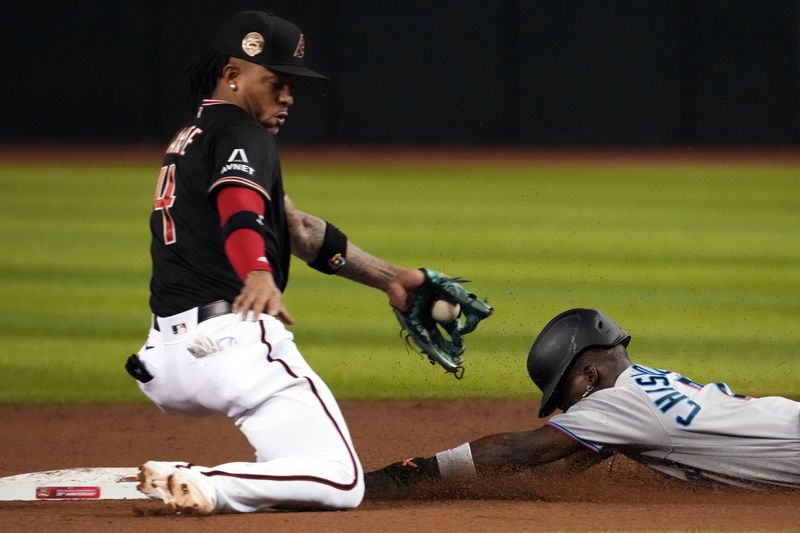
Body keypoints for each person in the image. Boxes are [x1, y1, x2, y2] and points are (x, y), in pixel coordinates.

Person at [126, 11, 428, 514]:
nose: (287, 96)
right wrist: (258, 272)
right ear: (233, 75)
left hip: (167, 361)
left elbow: (298, 230)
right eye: (275, 82)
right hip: (231, 344)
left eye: (291, 85)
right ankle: (202, 481)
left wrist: (390, 278)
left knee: (295, 465)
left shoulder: (195, 135)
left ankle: (212, 479)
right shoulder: (247, 137)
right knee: (341, 482)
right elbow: (239, 210)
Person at [366, 308, 800, 494]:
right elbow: (564, 466)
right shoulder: (643, 384)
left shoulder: (617, 404)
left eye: (564, 393)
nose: (566, 409)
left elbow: (516, 449)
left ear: (589, 374)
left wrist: (406, 476)